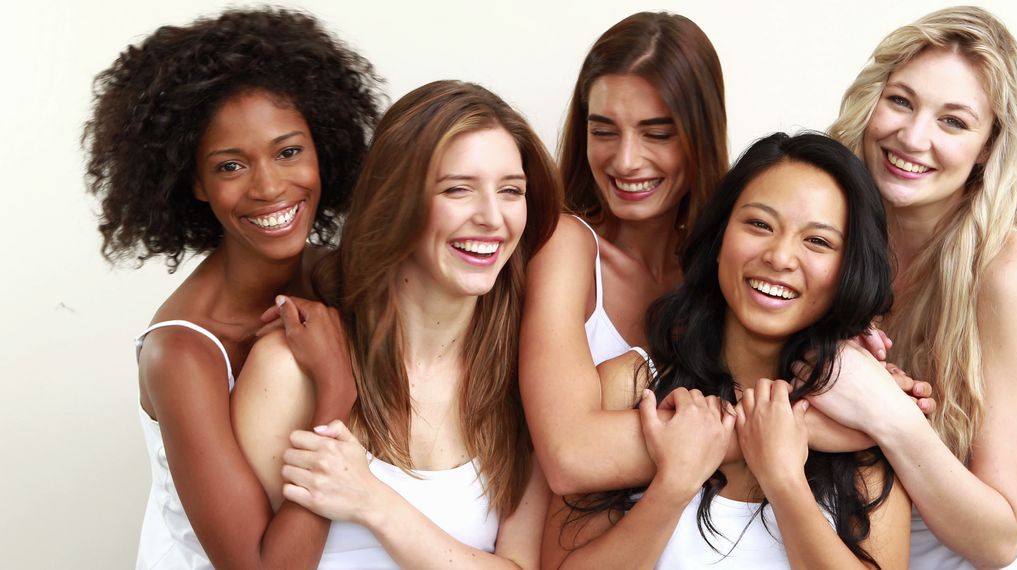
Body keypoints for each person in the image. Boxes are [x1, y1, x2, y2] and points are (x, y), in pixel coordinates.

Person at [520, 10, 930, 498]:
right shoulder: (566, 243)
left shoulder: (734, 260)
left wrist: (852, 359)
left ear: (701, 132)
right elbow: (571, 457)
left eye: (657, 132)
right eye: (604, 130)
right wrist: (807, 429)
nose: (625, 160)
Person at [82, 8, 381, 568]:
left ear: (324, 148)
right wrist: (334, 390)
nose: (269, 187)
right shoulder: (182, 353)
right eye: (230, 166)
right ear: (192, 181)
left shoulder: (341, 278)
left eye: (289, 151)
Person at [232, 80, 562, 569]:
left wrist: (373, 500)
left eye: (511, 191)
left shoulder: (522, 377)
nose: (493, 217)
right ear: (396, 201)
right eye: (457, 189)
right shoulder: (288, 370)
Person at [543, 132, 911, 569]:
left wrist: (785, 482)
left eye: (817, 241)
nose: (779, 256)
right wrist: (673, 486)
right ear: (720, 238)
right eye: (759, 225)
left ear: (849, 271)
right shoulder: (633, 386)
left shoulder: (865, 423)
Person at [818, 6, 1017, 568]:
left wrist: (884, 409)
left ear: (989, 145)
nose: (912, 137)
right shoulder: (827, 224)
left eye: (954, 121)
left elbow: (999, 540)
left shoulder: (1012, 275)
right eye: (902, 101)